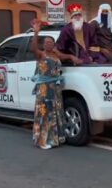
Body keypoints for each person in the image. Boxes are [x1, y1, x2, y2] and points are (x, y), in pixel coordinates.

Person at [30, 19, 82, 149]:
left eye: (51, 42)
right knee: (44, 113)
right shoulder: (41, 54)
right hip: (44, 88)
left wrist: (71, 57)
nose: (48, 44)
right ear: (43, 44)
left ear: (53, 44)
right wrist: (36, 32)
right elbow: (33, 48)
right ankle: (42, 141)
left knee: (55, 112)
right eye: (46, 42)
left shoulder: (55, 54)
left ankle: (54, 139)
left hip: (55, 89)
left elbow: (64, 57)